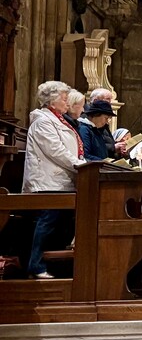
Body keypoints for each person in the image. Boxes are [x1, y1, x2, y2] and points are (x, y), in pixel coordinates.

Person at [23, 81, 86, 279]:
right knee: (47, 223)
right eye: (64, 99)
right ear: (52, 100)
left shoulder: (59, 120)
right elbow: (56, 151)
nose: (67, 103)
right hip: (47, 182)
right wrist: (79, 165)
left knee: (62, 225)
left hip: (62, 181)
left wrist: (80, 161)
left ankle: (56, 266)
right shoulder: (43, 121)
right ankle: (36, 265)